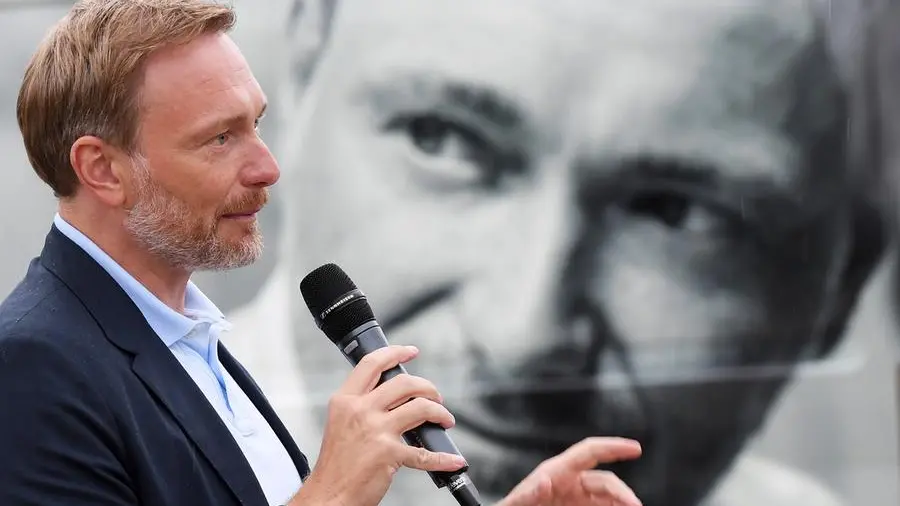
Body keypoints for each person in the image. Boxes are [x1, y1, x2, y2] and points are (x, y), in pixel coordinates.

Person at [222, 0, 888, 505]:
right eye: (440, 138)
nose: (521, 340)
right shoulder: (169, 455)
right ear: (299, 78)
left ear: (844, 285)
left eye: (673, 213)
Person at [0, 1, 644, 506]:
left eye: (256, 123)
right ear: (102, 169)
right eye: (219, 138)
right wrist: (333, 493)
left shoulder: (190, 338)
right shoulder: (32, 365)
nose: (267, 167)